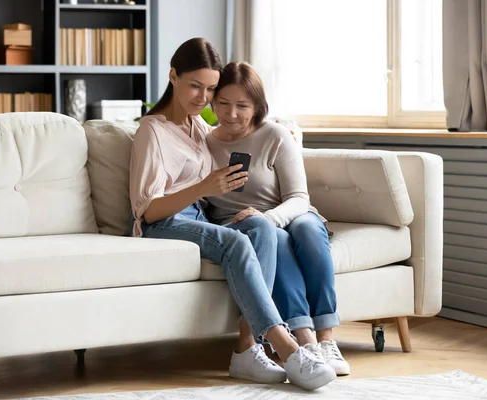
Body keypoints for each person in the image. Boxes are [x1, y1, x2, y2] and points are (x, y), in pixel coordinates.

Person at [128, 38, 335, 391]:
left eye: (210, 89)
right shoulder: (153, 130)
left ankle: (247, 348)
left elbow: (239, 132)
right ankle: (284, 346)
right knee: (235, 244)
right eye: (195, 85)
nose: (202, 97)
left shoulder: (198, 129)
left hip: (198, 218)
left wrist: (280, 131)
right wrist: (203, 187)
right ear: (173, 76)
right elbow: (146, 211)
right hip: (166, 221)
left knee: (264, 230)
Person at [205, 61, 351, 376]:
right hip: (240, 224)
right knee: (278, 239)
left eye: (242, 106)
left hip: (287, 211)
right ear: (212, 102)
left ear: (257, 106)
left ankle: (326, 338)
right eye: (224, 104)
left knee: (308, 231)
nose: (231, 114)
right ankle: (304, 338)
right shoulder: (205, 142)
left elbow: (299, 198)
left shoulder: (275, 135)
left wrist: (270, 217)